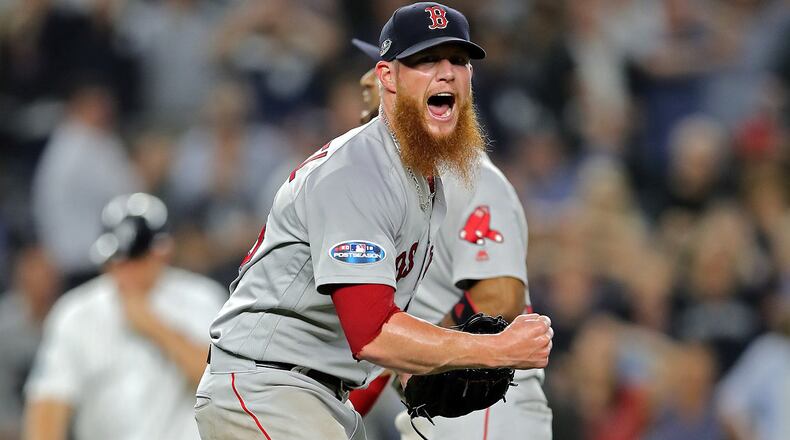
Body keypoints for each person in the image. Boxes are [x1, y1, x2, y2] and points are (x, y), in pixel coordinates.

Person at [195, 3, 554, 440]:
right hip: (270, 386)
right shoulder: (358, 173)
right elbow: (374, 333)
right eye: (425, 60)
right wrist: (493, 349)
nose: (446, 73)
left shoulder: (424, 176)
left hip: (314, 392)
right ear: (386, 78)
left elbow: (374, 338)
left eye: (457, 61)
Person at [350, 38, 552, 440]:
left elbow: (499, 299)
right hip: (433, 413)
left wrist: (423, 355)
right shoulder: (389, 190)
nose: (365, 82)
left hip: (486, 410)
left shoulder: (472, 177)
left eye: (378, 69)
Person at [23, 193, 227, 440]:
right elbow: (48, 406)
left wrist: (158, 329)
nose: (125, 269)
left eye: (135, 259)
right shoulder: (76, 313)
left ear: (162, 252)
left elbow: (225, 391)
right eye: (116, 259)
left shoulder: (202, 299)